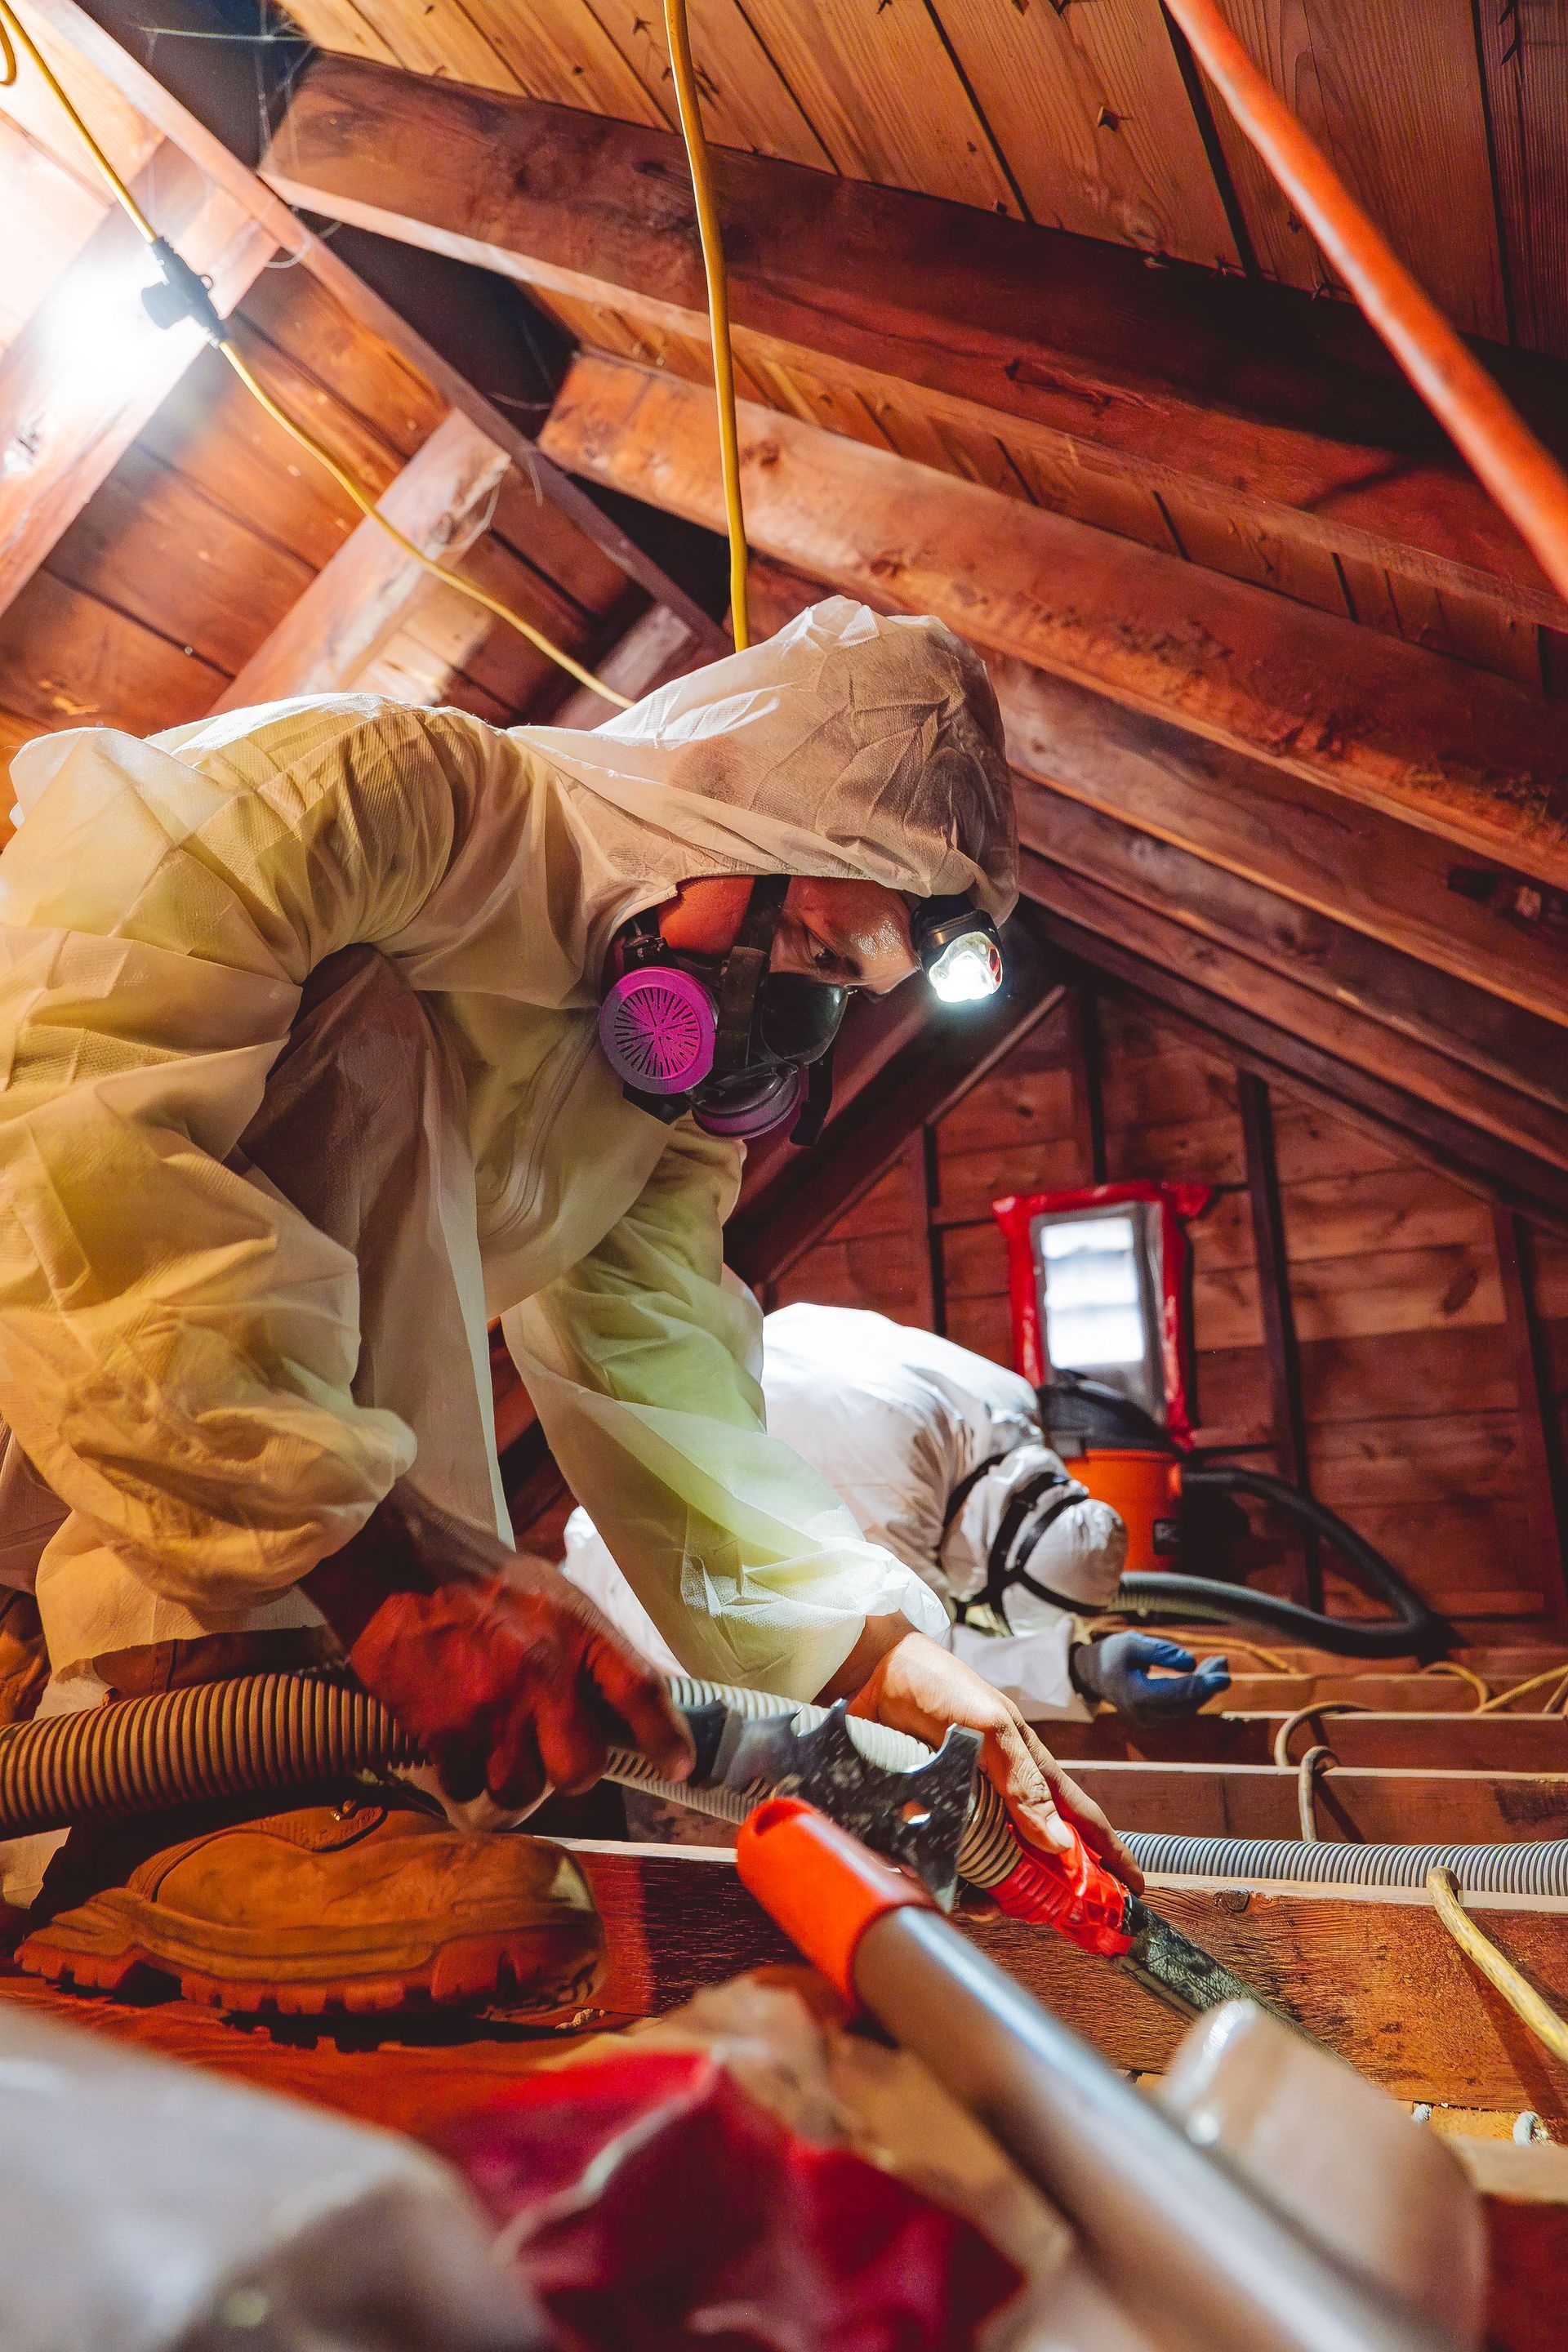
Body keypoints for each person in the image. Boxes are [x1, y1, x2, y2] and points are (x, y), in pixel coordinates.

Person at [0, 599, 1137, 2013]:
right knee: (369, 1037)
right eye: (819, 957)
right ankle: (173, 1783)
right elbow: (74, 1097)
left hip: (122, 1444)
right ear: (732, 820)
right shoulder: (397, 800)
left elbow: (658, 1367)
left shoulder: (649, 1110)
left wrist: (889, 1665)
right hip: (43, 1324)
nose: (795, 1023)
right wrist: (397, 1580)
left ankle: (263, 1754)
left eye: (842, 996)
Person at [562, 1303, 1230, 1726]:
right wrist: (1076, 1672)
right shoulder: (891, 1499)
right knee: (790, 1691)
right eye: (992, 1609)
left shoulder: (1009, 1405)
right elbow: (898, 1664)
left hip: (675, 1437)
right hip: (626, 1571)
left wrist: (1079, 1665)